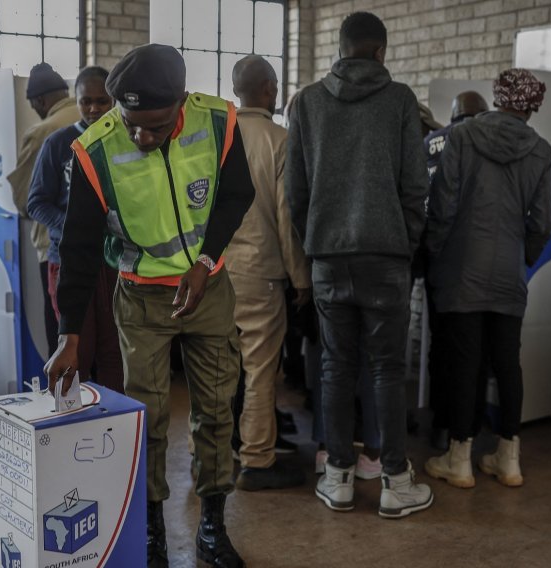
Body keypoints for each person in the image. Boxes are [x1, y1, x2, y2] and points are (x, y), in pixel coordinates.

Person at [45, 44, 254, 568]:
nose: (141, 136)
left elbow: (236, 195)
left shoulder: (218, 120)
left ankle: (212, 525)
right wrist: (69, 334)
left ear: (181, 103)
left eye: (156, 127)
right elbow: (79, 246)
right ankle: (152, 529)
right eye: (131, 122)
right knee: (149, 417)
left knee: (215, 410)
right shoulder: (95, 149)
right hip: (140, 296)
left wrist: (205, 262)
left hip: (207, 288)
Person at [286, 12, 433, 518]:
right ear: (380, 52)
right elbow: (416, 187)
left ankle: (339, 477)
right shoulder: (399, 101)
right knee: (388, 370)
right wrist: (404, 241)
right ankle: (395, 480)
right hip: (387, 255)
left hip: (329, 256)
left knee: (334, 365)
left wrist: (317, 243)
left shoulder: (305, 102)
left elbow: (296, 193)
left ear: (340, 49)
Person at [424, 69, 551, 489]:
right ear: (533, 105)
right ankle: (509, 458)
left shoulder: (461, 138)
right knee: (507, 362)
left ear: (498, 97)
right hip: (509, 273)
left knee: (464, 362)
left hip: (460, 268)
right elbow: (545, 221)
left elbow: (443, 206)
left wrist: (435, 253)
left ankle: (459, 460)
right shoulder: (542, 150)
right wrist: (524, 257)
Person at [224, 55, 311, 492]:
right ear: (269, 89)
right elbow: (286, 215)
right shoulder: (280, 140)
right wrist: (301, 278)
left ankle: (214, 457)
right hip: (260, 273)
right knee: (259, 369)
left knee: (217, 370)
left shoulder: (211, 139)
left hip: (212, 273)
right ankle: (257, 460)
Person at [27, 66, 123, 393]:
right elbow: (36, 202)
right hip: (68, 261)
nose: (94, 109)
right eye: (87, 102)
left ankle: (115, 422)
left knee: (115, 350)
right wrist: (72, 228)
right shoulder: (59, 143)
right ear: (76, 101)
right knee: (77, 347)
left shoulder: (124, 141)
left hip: (114, 262)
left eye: (102, 101)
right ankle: (72, 426)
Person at [422, 91, 489, 451]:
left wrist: (430, 251)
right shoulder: (488, 144)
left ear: (451, 116)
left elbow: (422, 198)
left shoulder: (431, 142)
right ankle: (471, 427)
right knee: (477, 352)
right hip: (485, 262)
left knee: (442, 346)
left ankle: (442, 422)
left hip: (441, 260)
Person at [7, 62, 80, 358]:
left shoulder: (44, 131)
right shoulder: (102, 120)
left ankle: (63, 401)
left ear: (38, 101)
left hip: (56, 246)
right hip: (106, 245)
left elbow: (26, 199)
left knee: (62, 329)